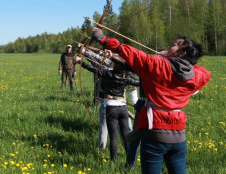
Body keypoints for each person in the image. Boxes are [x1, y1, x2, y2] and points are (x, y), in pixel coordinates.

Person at [91, 28, 211, 174]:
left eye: (173, 45)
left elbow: (132, 53)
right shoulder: (197, 75)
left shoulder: (158, 65)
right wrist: (170, 60)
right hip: (179, 135)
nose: (168, 47)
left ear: (182, 52)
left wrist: (103, 39)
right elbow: (204, 72)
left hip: (155, 132)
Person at [79, 54, 140, 161]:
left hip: (111, 108)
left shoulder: (107, 73)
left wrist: (80, 62)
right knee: (126, 136)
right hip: (123, 108)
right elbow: (138, 82)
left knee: (113, 137)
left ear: (115, 65)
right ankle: (130, 161)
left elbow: (93, 69)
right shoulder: (125, 76)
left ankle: (113, 161)